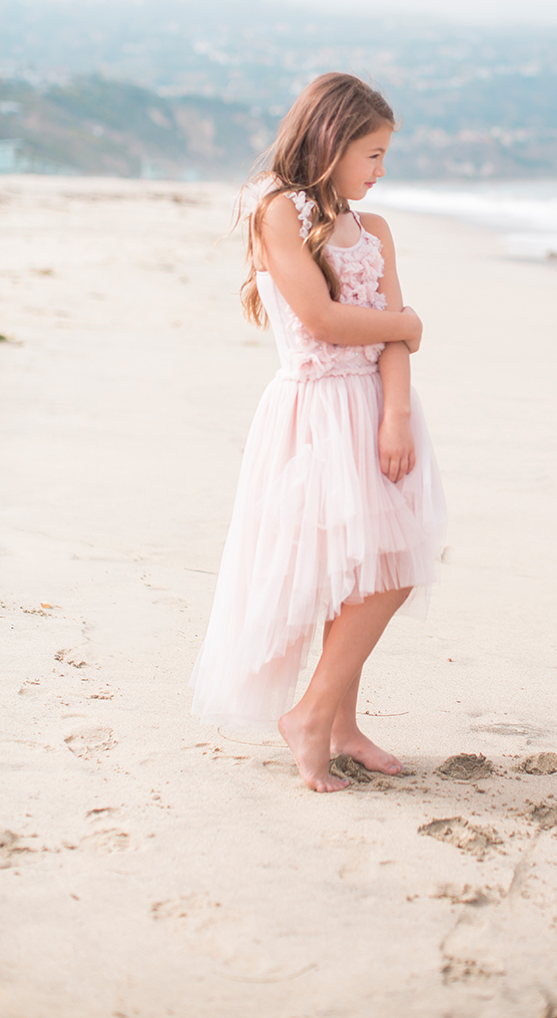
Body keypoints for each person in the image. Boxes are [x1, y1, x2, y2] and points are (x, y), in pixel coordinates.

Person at [190, 73, 446, 792]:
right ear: (332, 144)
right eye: (373, 153)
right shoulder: (279, 212)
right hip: (314, 411)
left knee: (368, 568)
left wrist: (397, 412)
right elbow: (322, 320)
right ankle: (308, 715)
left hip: (375, 407)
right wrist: (405, 323)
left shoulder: (376, 230)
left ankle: (339, 720)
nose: (382, 169)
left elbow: (395, 343)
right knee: (380, 569)